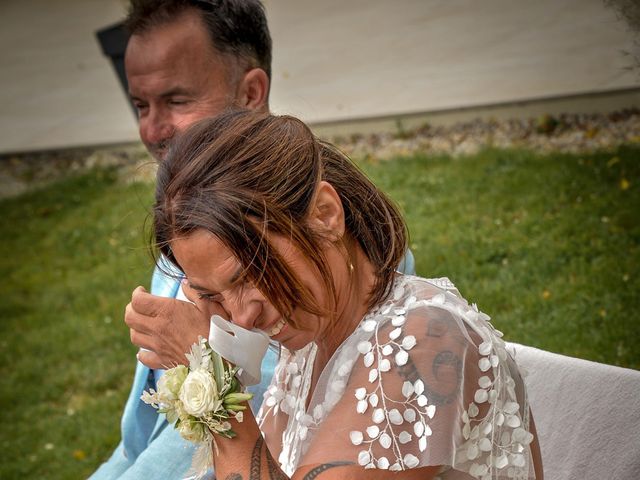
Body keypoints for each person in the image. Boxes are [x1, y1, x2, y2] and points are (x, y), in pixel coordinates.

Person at [92, 1, 415, 478]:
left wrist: (206, 368)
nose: (151, 129)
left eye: (177, 101)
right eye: (141, 105)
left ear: (250, 93)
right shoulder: (195, 220)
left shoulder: (335, 287)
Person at [152, 109, 543, 479]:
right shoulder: (310, 342)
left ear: (324, 214)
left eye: (248, 275)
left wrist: (210, 382)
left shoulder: (423, 340)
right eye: (214, 295)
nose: (241, 318)